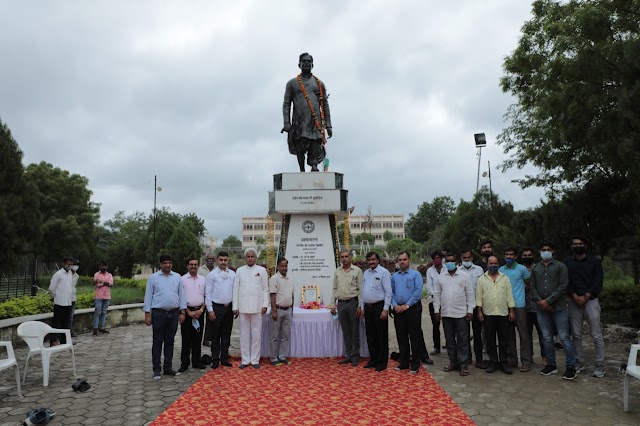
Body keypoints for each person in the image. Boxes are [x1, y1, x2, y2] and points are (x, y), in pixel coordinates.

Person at [530, 241, 576, 380]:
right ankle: (551, 364)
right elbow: (532, 287)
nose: (546, 252)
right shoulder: (536, 268)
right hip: (541, 308)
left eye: (548, 249)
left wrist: (548, 301)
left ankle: (571, 367)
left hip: (558, 308)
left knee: (564, 337)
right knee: (546, 337)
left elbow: (563, 286)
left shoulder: (561, 266)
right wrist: (541, 302)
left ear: (553, 251)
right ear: (539, 251)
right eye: (543, 249)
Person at [282, 52, 332, 172]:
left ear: (312, 65)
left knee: (315, 143)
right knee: (300, 145)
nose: (306, 63)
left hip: (315, 122)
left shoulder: (319, 84)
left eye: (309, 61)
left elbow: (325, 105)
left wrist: (328, 125)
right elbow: (286, 103)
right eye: (304, 61)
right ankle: (302, 169)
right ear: (299, 64)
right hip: (299, 120)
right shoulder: (292, 83)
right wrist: (286, 122)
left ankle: (314, 166)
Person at [564, 235, 605, 378]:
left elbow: (598, 281)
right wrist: (574, 296)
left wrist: (586, 296)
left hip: (591, 301)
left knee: (596, 335)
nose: (577, 246)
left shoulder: (594, 262)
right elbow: (566, 281)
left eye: (580, 244)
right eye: (575, 244)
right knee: (576, 334)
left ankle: (600, 365)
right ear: (571, 247)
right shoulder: (568, 262)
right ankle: (579, 362)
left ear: (585, 245)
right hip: (574, 302)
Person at [143, 254, 187, 380]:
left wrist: (182, 312)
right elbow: (148, 296)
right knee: (157, 341)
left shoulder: (177, 277)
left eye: (170, 263)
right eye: (165, 263)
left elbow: (181, 295)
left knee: (170, 341)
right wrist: (147, 314)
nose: (168, 265)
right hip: (158, 314)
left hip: (173, 313)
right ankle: (157, 369)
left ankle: (168, 367)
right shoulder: (153, 278)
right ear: (160, 264)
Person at [433, 252, 475, 376]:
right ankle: (453, 362)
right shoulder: (441, 277)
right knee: (449, 340)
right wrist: (436, 310)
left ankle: (463, 364)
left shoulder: (464, 276)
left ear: (457, 262)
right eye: (448, 261)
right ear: (445, 263)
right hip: (446, 314)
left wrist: (470, 310)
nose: (450, 263)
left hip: (461, 313)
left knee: (462, 340)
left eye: (452, 261)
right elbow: (436, 294)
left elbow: (470, 294)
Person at [476, 255, 515, 374]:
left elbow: (509, 296)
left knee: (503, 340)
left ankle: (504, 362)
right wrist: (479, 311)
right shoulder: (481, 279)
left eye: (495, 263)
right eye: (491, 263)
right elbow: (479, 297)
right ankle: (493, 362)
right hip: (488, 313)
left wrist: (512, 311)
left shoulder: (505, 279)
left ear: (498, 264)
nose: (493, 265)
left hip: (503, 313)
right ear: (487, 264)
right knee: (490, 339)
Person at [233, 248, 269, 369]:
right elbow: (236, 289)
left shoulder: (262, 270)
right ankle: (245, 359)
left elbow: (265, 289)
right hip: (243, 307)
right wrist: (235, 306)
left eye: (252, 257)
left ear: (256, 258)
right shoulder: (239, 271)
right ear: (245, 258)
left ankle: (254, 360)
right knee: (244, 335)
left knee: (256, 334)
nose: (250, 258)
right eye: (248, 257)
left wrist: (265, 305)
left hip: (257, 307)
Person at [499, 247, 533, 372]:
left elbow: (528, 284)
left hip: (519, 305)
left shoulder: (522, 269)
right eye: (506, 254)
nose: (509, 257)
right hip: (505, 306)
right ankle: (512, 360)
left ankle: (526, 361)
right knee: (509, 335)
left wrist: (520, 294)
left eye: (511, 255)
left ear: (516, 256)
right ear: (504, 256)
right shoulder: (500, 270)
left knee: (523, 334)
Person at [390, 251, 424, 374]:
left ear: (409, 260)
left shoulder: (416, 275)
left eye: (404, 259)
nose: (402, 262)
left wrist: (407, 305)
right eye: (400, 260)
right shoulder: (394, 276)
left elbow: (418, 291)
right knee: (401, 337)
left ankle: (415, 364)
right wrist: (394, 305)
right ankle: (403, 362)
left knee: (414, 337)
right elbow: (391, 292)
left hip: (412, 309)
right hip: (398, 310)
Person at [330, 250, 364, 366]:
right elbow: (334, 288)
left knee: (354, 331)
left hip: (352, 303)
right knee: (346, 331)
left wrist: (360, 305)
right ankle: (348, 355)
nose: (344, 259)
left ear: (351, 258)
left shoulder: (357, 271)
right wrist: (333, 305)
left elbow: (361, 289)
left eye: (346, 256)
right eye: (342, 257)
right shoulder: (337, 271)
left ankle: (355, 356)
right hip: (341, 304)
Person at [360, 251, 392, 372]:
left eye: (373, 260)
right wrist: (362, 308)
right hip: (368, 308)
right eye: (369, 260)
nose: (371, 262)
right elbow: (363, 291)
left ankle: (382, 362)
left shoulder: (384, 272)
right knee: (371, 335)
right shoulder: (366, 273)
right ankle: (373, 359)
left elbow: (388, 292)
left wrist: (385, 309)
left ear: (378, 260)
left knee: (381, 335)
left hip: (379, 307)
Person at [205, 251, 236, 368]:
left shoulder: (233, 274)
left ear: (228, 260)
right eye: (221, 260)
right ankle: (215, 359)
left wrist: (235, 307)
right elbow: (207, 293)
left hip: (228, 308)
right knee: (215, 335)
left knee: (226, 334)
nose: (223, 262)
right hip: (216, 308)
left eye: (225, 260)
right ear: (217, 261)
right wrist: (210, 310)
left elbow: (235, 291)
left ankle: (224, 358)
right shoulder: (211, 275)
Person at [179, 257, 207, 373]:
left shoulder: (203, 279)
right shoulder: (182, 280)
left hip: (199, 312)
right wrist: (187, 312)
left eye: (195, 264)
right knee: (186, 339)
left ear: (198, 266)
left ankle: (196, 361)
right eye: (191, 264)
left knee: (197, 339)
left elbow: (206, 296)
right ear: (187, 266)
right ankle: (185, 363)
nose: (193, 266)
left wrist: (201, 310)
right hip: (187, 312)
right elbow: (181, 297)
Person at [460, 249, 486, 368]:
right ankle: (466, 358)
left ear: (472, 258)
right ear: (461, 258)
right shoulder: (458, 271)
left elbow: (482, 289)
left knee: (477, 334)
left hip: (476, 306)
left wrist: (480, 307)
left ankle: (479, 359)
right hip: (462, 307)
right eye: (465, 258)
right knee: (464, 334)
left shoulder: (479, 270)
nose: (467, 260)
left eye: (469, 258)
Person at [269, 258, 295, 366]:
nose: (284, 268)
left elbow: (292, 295)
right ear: (278, 267)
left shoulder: (290, 279)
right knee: (274, 336)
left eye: (286, 266)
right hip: (278, 310)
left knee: (285, 335)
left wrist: (291, 309)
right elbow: (273, 295)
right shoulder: (274, 279)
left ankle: (282, 356)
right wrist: (274, 310)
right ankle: (273, 358)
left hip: (288, 311)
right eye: (282, 266)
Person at [49, 257, 75, 346]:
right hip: (60, 302)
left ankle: (65, 340)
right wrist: (54, 297)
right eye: (68, 264)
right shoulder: (58, 274)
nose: (70, 266)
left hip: (68, 302)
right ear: (64, 264)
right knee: (57, 322)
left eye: (71, 264)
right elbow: (52, 288)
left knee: (66, 322)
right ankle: (53, 341)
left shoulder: (70, 273)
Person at [426, 250, 445, 355]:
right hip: (433, 301)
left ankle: (450, 343)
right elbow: (429, 287)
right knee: (435, 324)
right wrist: (437, 295)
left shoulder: (447, 269)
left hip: (447, 301)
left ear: (441, 258)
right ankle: (436, 347)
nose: (436, 260)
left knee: (448, 324)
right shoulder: (429, 271)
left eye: (438, 258)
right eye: (434, 258)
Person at [199, 253, 217, 347]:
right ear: (206, 260)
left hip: (212, 298)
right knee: (200, 320)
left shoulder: (217, 270)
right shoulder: (200, 270)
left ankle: (207, 339)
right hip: (201, 298)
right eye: (209, 259)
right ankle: (197, 339)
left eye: (213, 259)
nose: (211, 260)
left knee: (211, 320)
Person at [92, 260, 113, 336]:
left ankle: (102, 327)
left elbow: (111, 284)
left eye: (104, 266)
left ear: (107, 266)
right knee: (98, 311)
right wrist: (105, 283)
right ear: (99, 266)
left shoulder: (109, 275)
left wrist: (102, 282)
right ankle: (95, 328)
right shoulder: (96, 274)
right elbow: (96, 282)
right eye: (101, 266)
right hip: (99, 296)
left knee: (104, 312)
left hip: (107, 296)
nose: (103, 267)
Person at [69, 258, 80, 338]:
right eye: (74, 264)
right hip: (65, 298)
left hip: (73, 298)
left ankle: (70, 331)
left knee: (71, 317)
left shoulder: (76, 276)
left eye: (77, 265)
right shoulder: (66, 274)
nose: (75, 266)